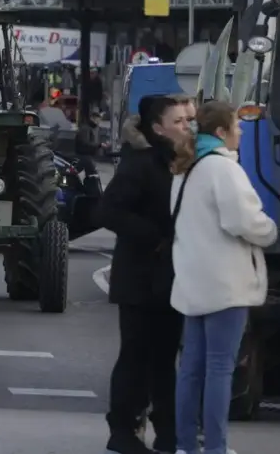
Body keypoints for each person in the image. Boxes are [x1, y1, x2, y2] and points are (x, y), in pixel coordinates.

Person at [170, 100, 278, 454]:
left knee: (191, 369)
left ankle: (186, 443)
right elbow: (242, 221)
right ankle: (215, 447)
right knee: (221, 368)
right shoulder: (223, 169)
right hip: (225, 283)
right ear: (221, 132)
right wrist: (270, 230)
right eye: (237, 125)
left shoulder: (185, 168)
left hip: (192, 280)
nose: (242, 131)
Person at [97, 95, 191, 454]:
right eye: (179, 121)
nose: (187, 127)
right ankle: (122, 430)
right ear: (157, 128)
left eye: (188, 120)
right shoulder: (140, 163)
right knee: (136, 355)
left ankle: (168, 433)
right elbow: (108, 211)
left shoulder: (177, 161)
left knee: (165, 358)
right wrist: (155, 238)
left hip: (169, 278)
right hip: (139, 278)